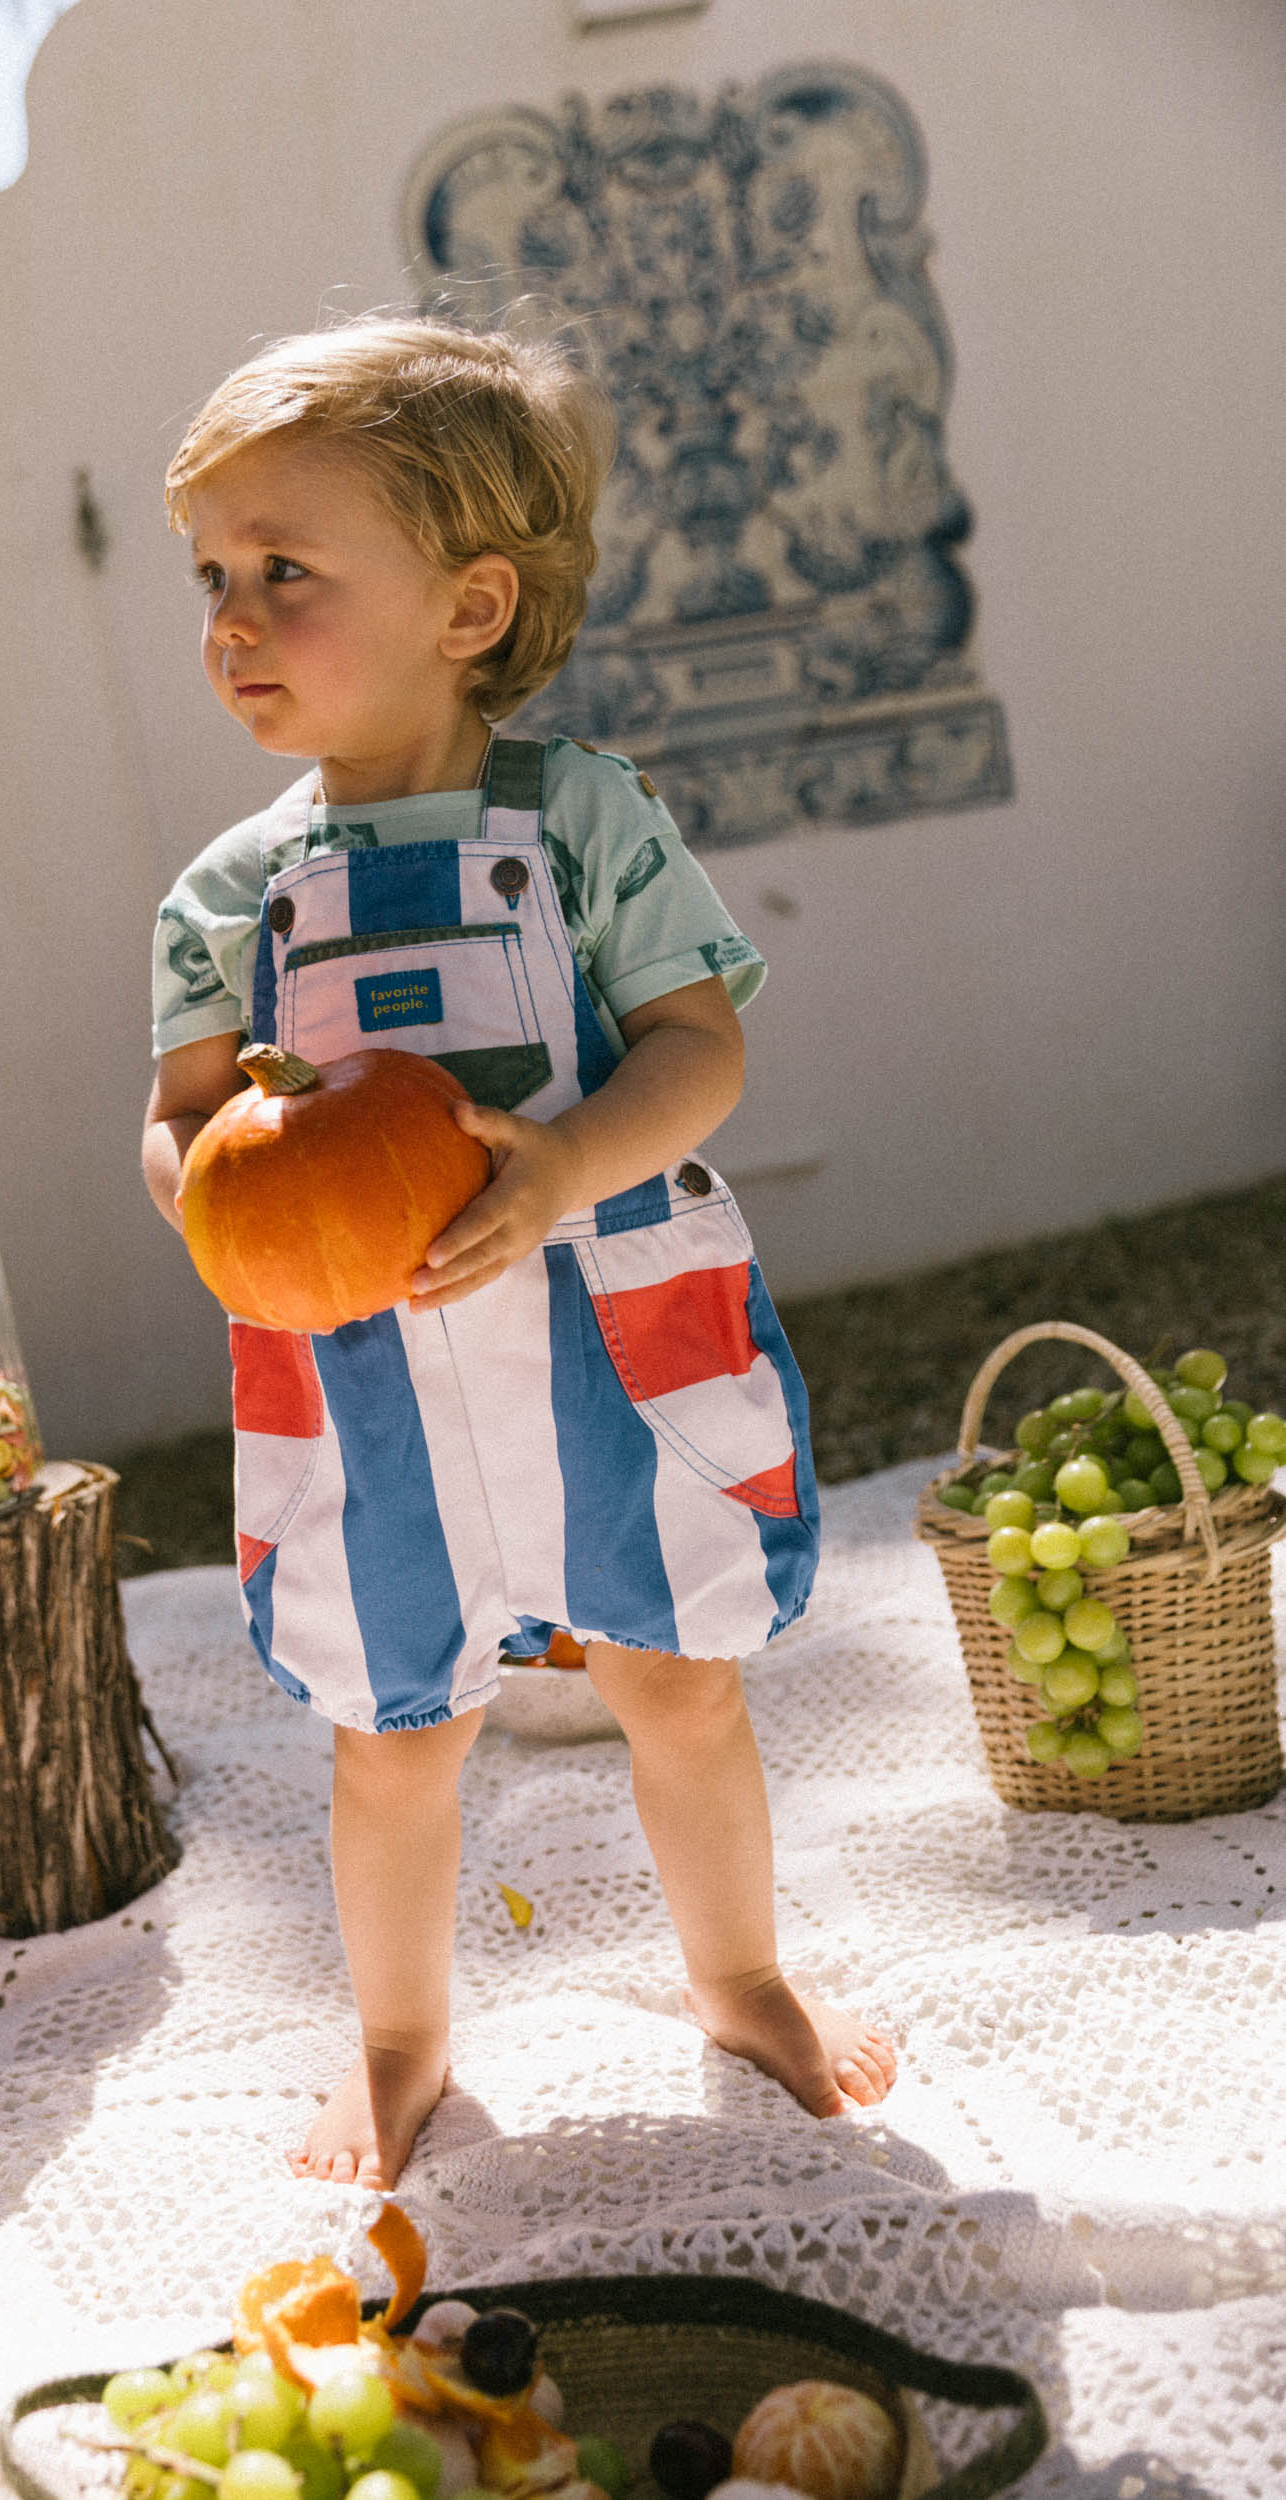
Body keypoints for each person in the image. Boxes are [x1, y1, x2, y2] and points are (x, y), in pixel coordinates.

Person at [142, 316, 895, 2189]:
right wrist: (220, 1200)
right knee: (396, 1726)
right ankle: (400, 2039)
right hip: (371, 1372)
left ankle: (741, 1975)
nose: (232, 620)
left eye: (286, 571)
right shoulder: (227, 899)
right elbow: (180, 1119)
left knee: (673, 1675)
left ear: (470, 607)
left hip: (597, 1334)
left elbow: (699, 1050)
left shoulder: (580, 823)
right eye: (213, 577)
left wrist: (558, 1165)